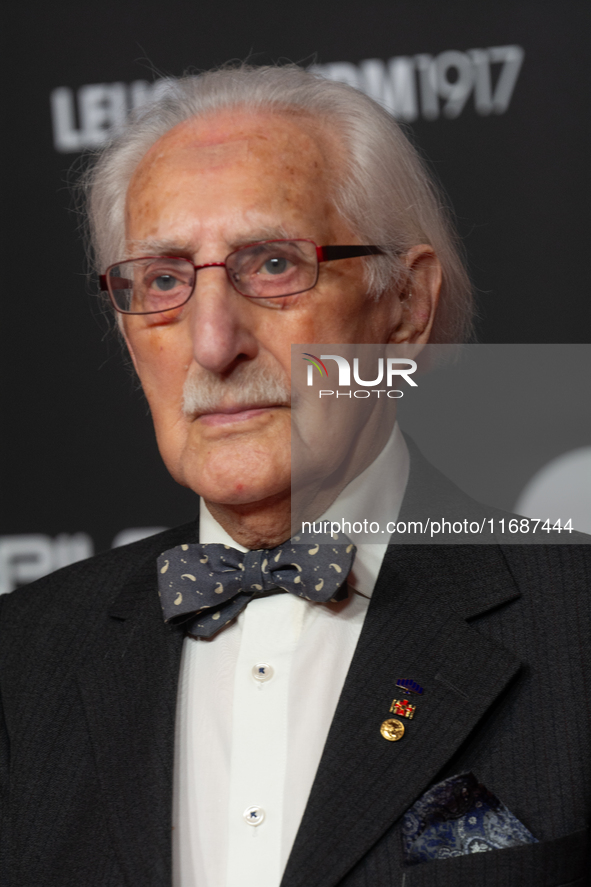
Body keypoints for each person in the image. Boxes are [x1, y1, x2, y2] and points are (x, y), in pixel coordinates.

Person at [0, 65, 589, 887]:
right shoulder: (20, 661)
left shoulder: (577, 624)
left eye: (273, 264)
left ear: (404, 307)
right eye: (164, 280)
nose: (213, 344)